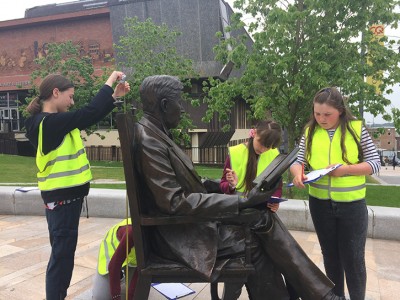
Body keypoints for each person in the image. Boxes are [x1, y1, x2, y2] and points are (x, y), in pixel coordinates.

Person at [130, 74, 345, 300]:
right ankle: (320, 296)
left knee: (261, 218)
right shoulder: (150, 141)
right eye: (179, 102)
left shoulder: (156, 134)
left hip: (184, 226)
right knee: (256, 239)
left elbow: (183, 185)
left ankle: (316, 295)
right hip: (177, 236)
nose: (183, 108)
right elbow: (174, 202)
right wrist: (241, 201)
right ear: (165, 105)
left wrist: (218, 186)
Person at [25, 71, 130, 299]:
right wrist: (110, 81)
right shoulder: (50, 124)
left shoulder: (50, 123)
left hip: (63, 202)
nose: (72, 102)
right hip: (62, 203)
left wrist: (114, 98)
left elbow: (88, 116)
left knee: (62, 256)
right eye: (70, 96)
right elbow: (88, 114)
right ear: (55, 93)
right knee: (61, 259)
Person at [290, 87, 381, 300]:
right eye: (317, 113)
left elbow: (374, 163)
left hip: (352, 205)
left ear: (340, 110)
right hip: (320, 204)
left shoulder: (355, 129)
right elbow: (297, 161)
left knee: (353, 258)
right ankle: (336, 297)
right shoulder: (309, 132)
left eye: (327, 114)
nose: (321, 119)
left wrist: (346, 169)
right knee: (330, 257)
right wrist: (297, 173)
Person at [220, 120, 299, 300]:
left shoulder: (273, 155)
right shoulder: (236, 153)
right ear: (253, 133)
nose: (263, 149)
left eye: (268, 146)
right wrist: (231, 185)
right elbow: (223, 185)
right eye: (261, 144)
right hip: (238, 218)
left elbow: (276, 185)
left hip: (262, 216)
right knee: (242, 265)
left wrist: (275, 202)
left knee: (280, 257)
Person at [92, 219, 137, 300]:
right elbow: (114, 266)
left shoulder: (157, 238)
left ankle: (119, 277)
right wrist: (116, 297)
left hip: (133, 263)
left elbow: (141, 270)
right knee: (100, 297)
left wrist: (131, 296)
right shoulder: (131, 233)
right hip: (112, 255)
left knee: (139, 293)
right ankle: (117, 277)